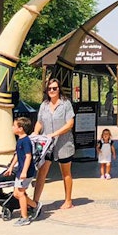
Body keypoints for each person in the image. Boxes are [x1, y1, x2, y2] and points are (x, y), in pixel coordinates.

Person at [31, 77, 76, 214]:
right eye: (49, 88)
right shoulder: (44, 105)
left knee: (65, 172)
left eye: (54, 88)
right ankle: (35, 201)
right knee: (42, 172)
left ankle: (68, 200)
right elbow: (40, 122)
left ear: (59, 89)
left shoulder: (65, 104)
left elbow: (70, 123)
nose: (52, 91)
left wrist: (55, 133)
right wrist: (35, 132)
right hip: (46, 144)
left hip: (63, 143)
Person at [3, 116, 35, 226]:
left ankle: (25, 217)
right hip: (20, 170)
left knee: (20, 193)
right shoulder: (20, 140)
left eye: (14, 125)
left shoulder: (26, 141)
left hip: (25, 172)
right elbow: (17, 155)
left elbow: (28, 156)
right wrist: (11, 166)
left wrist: (25, 172)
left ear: (20, 128)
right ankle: (35, 205)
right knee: (16, 194)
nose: (12, 127)